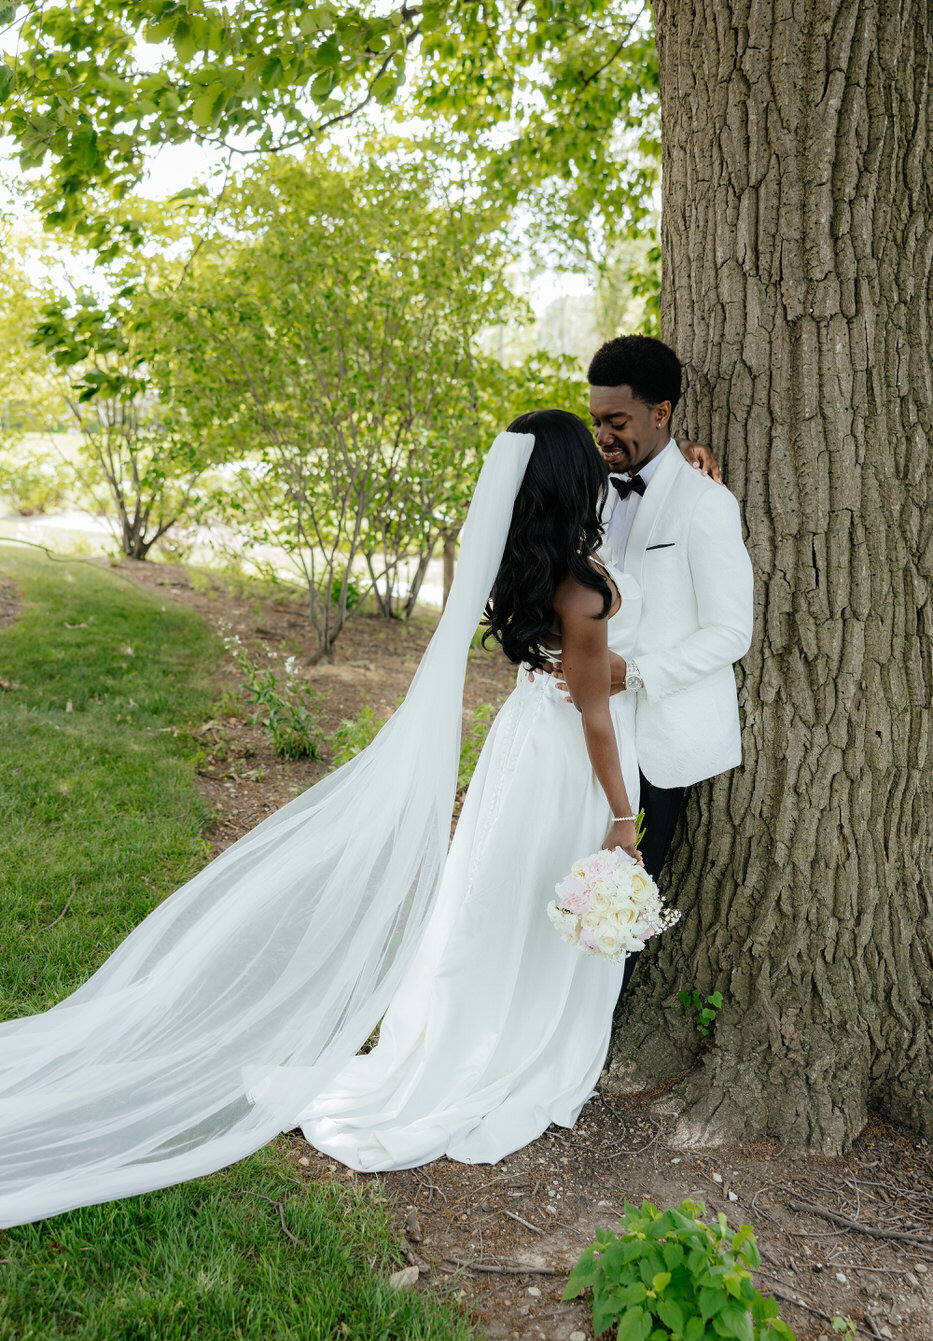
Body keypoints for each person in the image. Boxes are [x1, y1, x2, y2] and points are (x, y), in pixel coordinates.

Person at [0, 408, 718, 1228]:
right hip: (569, 762)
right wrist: (622, 818)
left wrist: (685, 479)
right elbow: (594, 712)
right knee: (536, 900)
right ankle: (505, 1045)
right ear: (571, 482)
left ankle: (466, 1026)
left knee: (500, 896)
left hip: (520, 747)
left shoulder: (524, 566)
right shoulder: (584, 587)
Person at [569, 335, 754, 1005]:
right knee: (566, 874)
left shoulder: (707, 503)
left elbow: (732, 631)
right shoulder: (590, 489)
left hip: (658, 737)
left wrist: (637, 673)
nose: (603, 434)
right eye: (596, 420)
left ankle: (593, 1027)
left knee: (617, 898)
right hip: (586, 727)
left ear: (662, 412)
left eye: (616, 421)